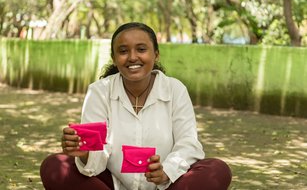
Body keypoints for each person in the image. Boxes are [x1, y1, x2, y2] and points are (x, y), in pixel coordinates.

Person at [40, 22, 232, 190]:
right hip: (110, 183)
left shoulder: (175, 89)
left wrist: (166, 172)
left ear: (156, 54)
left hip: (166, 184)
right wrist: (84, 154)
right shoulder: (99, 91)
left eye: (141, 49)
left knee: (217, 170)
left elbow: (188, 144)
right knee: (54, 166)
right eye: (123, 51)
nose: (132, 57)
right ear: (114, 58)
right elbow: (95, 157)